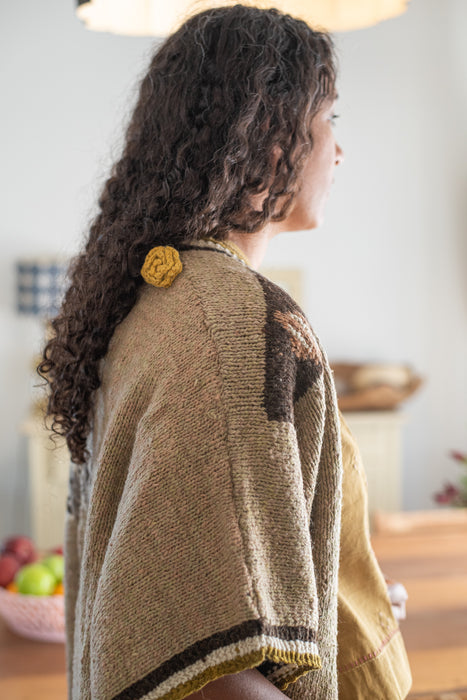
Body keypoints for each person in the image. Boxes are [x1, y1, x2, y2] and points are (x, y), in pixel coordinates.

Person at [38, 4, 412, 699]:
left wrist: (336, 602)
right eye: (330, 117)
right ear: (270, 137)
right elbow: (216, 668)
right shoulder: (239, 323)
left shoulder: (151, 294)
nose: (338, 150)